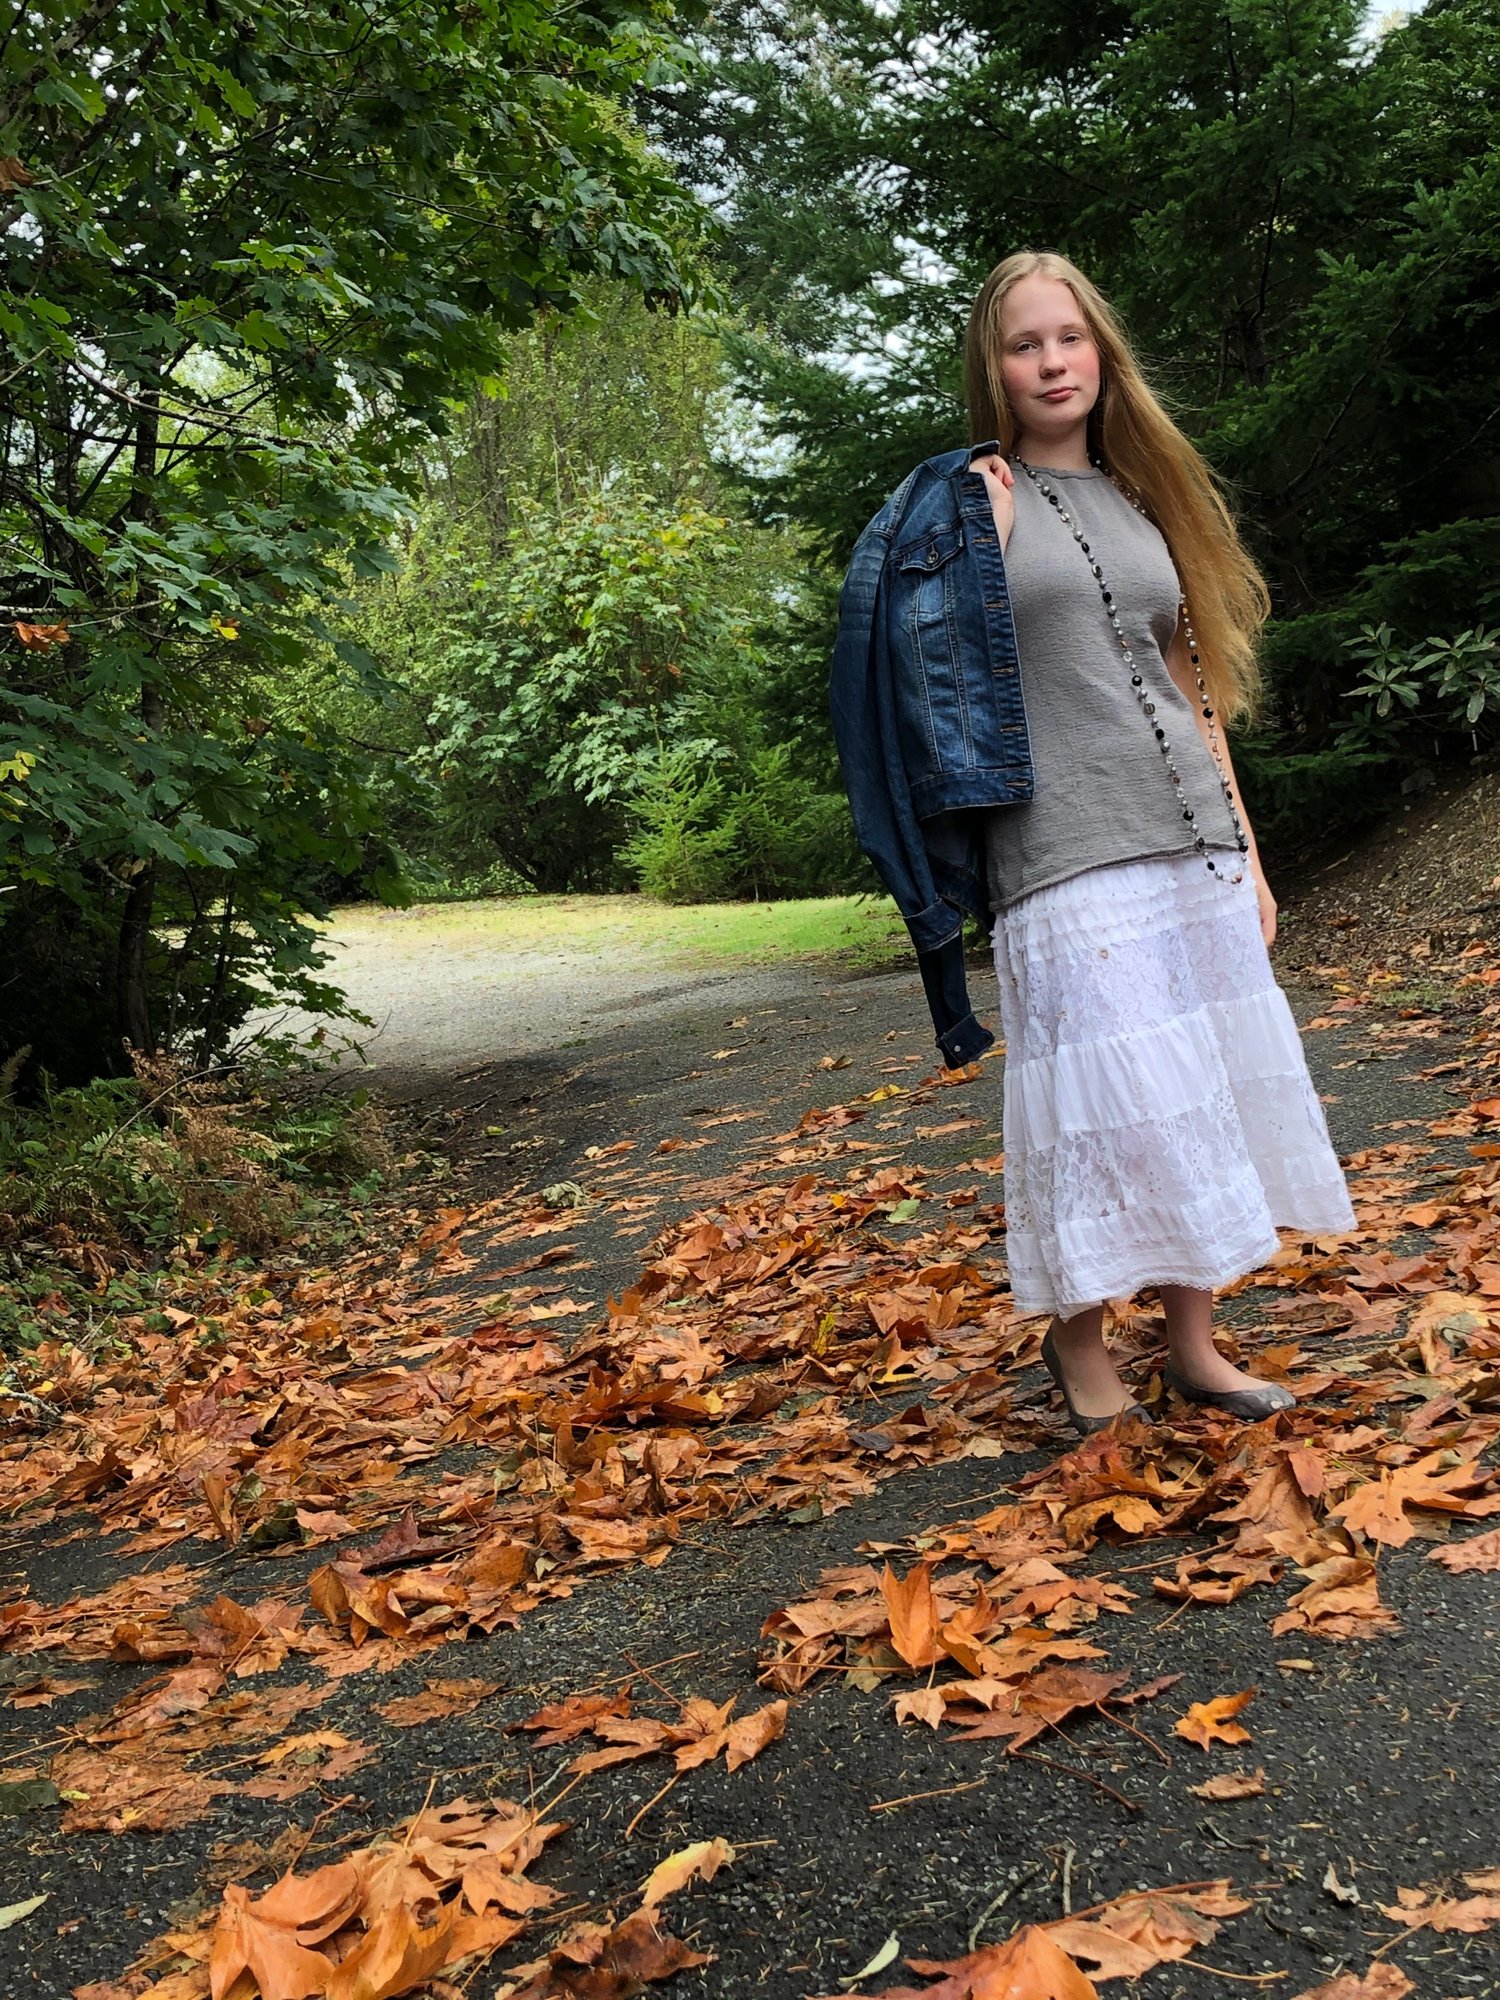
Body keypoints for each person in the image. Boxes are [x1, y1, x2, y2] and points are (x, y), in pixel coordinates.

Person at [964, 250, 1358, 1434]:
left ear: (1102, 351)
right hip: (1059, 850)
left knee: (1199, 1088)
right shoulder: (976, 498)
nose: (1053, 362)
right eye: (1026, 344)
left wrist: (1250, 853)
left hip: (1191, 837)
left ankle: (1193, 1344)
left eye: (1070, 337)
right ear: (994, 366)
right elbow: (941, 683)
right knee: (1101, 1100)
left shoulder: (1144, 495)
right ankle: (1079, 1336)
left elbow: (1194, 688)